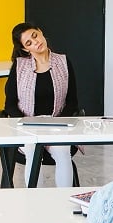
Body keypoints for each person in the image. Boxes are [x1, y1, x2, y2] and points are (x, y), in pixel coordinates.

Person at [4, 22, 79, 187]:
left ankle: (64, 200)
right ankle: (36, 201)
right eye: (29, 43)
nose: (36, 42)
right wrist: (24, 124)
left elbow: (73, 102)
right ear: (25, 49)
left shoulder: (63, 62)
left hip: (58, 125)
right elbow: (9, 105)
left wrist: (58, 124)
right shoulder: (19, 66)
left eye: (34, 36)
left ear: (40, 32)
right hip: (27, 127)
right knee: (31, 150)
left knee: (62, 151)